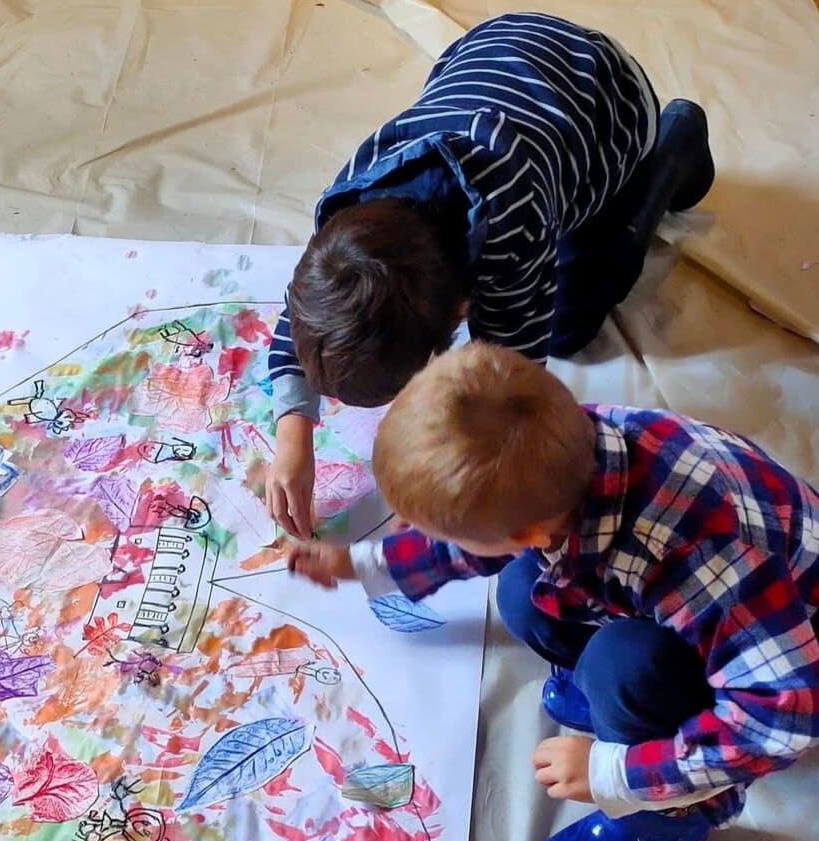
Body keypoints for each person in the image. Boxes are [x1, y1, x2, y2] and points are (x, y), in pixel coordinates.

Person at [285, 343, 819, 841]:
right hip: (685, 600)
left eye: (446, 534)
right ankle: (615, 699)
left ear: (527, 534)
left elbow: (784, 716)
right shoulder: (558, 451)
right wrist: (365, 564)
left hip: (777, 647)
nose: (443, 542)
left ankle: (668, 821)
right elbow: (484, 533)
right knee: (523, 592)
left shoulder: (697, 554)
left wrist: (616, 773)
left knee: (621, 667)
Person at [264, 11, 715, 538]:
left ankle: (673, 145)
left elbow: (512, 375)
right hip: (493, 47)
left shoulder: (513, 225)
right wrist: (293, 434)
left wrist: (443, 480)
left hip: (610, 101)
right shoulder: (348, 208)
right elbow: (310, 310)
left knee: (570, 324)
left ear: (459, 312)